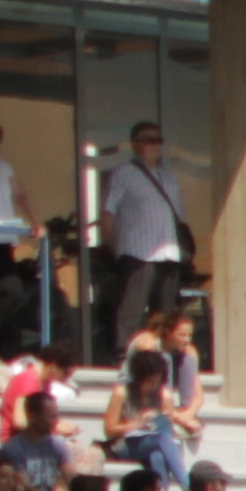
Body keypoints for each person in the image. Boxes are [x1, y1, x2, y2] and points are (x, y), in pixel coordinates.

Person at [96, 120, 189, 347]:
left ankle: (164, 356)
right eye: (149, 140)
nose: (156, 145)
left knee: (165, 312)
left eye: (159, 140)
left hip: (169, 253)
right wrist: (115, 246)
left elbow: (179, 215)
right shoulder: (124, 174)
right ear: (135, 144)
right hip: (138, 252)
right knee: (132, 309)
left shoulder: (169, 177)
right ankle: (126, 355)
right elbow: (107, 213)